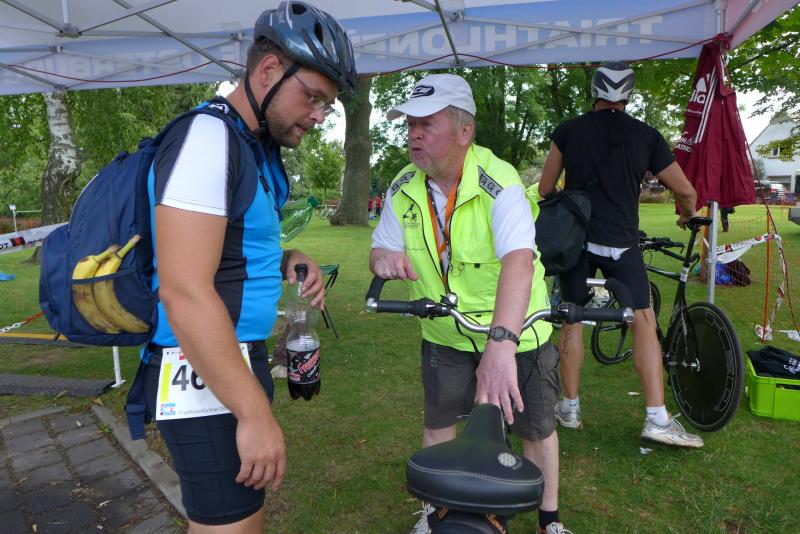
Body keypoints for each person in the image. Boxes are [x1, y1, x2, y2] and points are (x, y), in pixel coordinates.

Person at [127, 2, 356, 531]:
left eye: (327, 105)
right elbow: (184, 290)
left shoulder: (247, 145)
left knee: (236, 520)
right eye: (314, 97)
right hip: (199, 363)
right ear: (270, 70)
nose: (319, 116)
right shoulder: (207, 139)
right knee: (230, 525)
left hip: (228, 359)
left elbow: (226, 250)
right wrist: (254, 413)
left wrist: (288, 258)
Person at [371, 74, 568, 534]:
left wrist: (501, 345)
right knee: (439, 422)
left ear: (465, 132)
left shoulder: (499, 181)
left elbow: (519, 261)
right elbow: (379, 248)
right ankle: (433, 514)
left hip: (519, 332)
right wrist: (384, 259)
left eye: (427, 124)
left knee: (536, 427)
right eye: (410, 125)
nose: (414, 134)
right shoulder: (403, 185)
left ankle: (549, 520)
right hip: (444, 330)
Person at [538, 62, 703, 448]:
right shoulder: (647, 136)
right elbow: (686, 191)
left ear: (595, 93)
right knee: (642, 320)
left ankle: (570, 408)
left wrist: (572, 200)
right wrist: (686, 214)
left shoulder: (568, 130)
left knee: (573, 319)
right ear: (628, 95)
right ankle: (657, 418)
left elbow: (545, 188)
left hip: (578, 243)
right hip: (623, 242)